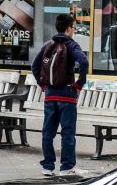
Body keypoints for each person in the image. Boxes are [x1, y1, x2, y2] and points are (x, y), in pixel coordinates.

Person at [32, 13, 89, 176]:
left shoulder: (48, 45)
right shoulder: (72, 45)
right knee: (68, 131)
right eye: (73, 27)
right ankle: (67, 167)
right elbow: (84, 62)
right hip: (67, 96)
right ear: (69, 28)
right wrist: (79, 83)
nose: (73, 30)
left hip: (50, 96)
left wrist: (43, 84)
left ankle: (48, 166)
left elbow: (35, 66)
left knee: (48, 132)